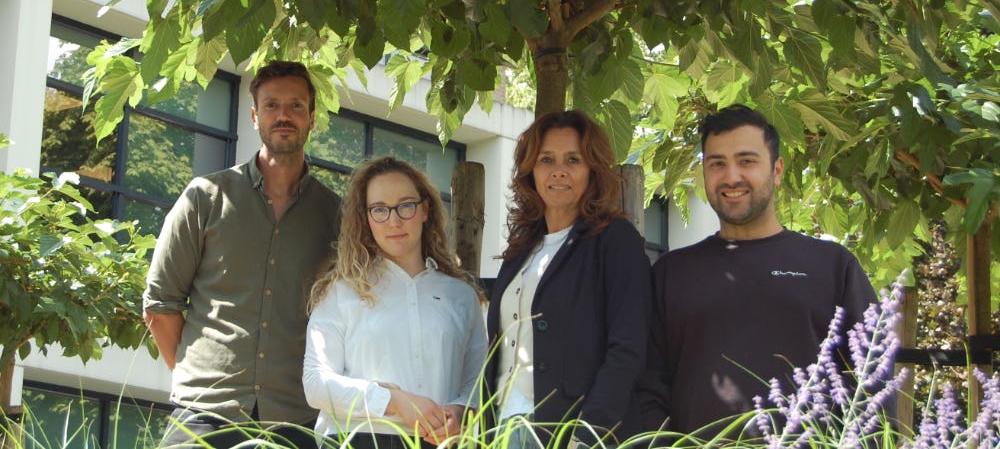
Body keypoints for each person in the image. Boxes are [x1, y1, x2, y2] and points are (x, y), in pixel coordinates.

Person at [639, 104, 882, 441]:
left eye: (747, 161)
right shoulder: (670, 274)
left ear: (777, 170)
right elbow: (647, 388)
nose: (731, 176)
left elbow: (871, 384)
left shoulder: (833, 267)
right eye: (717, 164)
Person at [143, 60, 342, 448]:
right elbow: (160, 305)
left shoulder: (337, 216)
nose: (283, 115)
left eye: (296, 106)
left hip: (296, 421)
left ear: (312, 118)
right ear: (254, 116)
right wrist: (202, 380)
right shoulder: (204, 198)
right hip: (202, 416)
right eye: (271, 105)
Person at [484, 110, 651, 448]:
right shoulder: (520, 249)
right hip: (502, 427)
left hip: (570, 431)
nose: (558, 170)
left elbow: (628, 348)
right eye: (547, 159)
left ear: (592, 170)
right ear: (531, 170)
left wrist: (588, 435)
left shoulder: (615, 240)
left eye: (573, 159)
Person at [303, 156, 488, 449]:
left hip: (439, 442)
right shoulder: (341, 291)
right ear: (366, 218)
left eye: (406, 205)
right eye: (379, 209)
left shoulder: (461, 296)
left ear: (425, 209)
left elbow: (478, 380)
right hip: (356, 438)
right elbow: (316, 383)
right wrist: (393, 401)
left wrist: (461, 411)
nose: (394, 220)